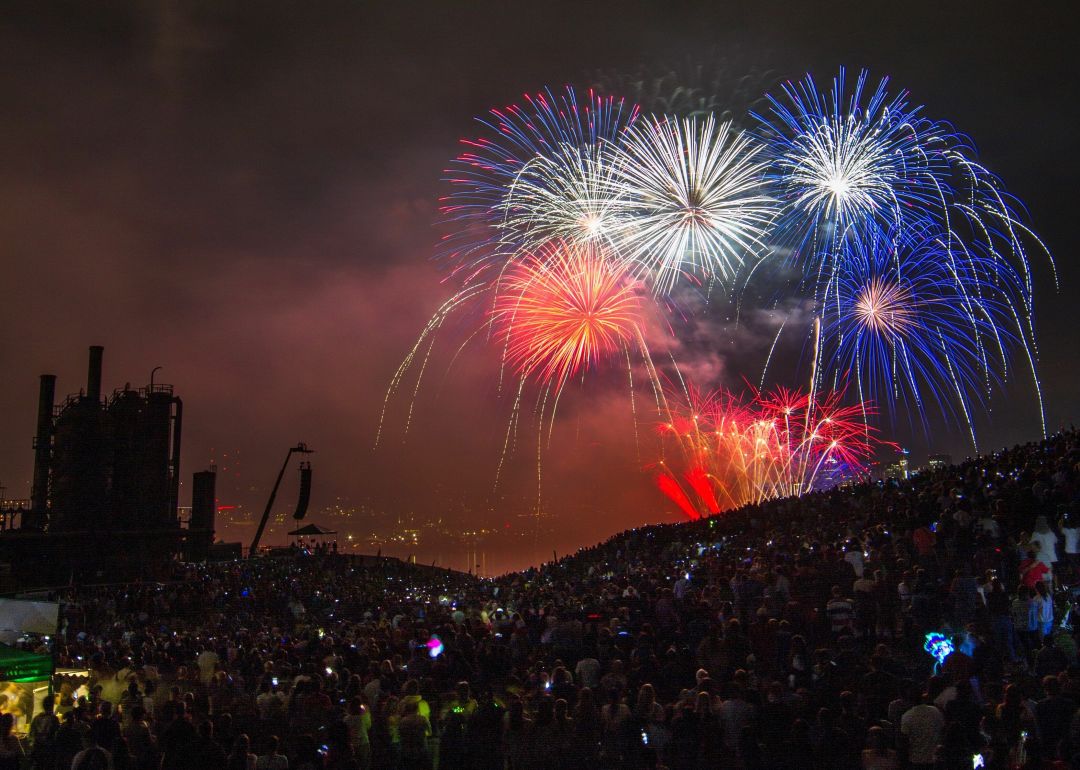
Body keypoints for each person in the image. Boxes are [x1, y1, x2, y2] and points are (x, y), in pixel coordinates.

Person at [899, 692, 944, 770]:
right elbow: (943, 729)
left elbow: (904, 740)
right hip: (935, 758)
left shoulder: (907, 716)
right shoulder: (935, 711)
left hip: (916, 759)